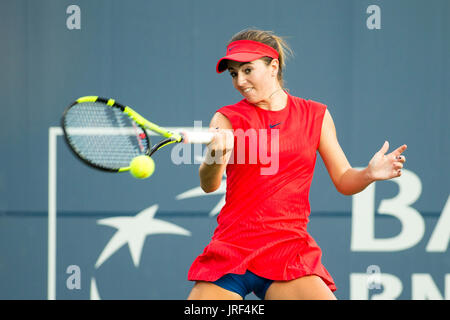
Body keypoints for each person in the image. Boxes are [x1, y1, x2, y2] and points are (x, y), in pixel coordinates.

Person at [187, 29, 407, 300]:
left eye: (247, 70)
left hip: (287, 252)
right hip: (232, 250)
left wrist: (369, 174)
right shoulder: (226, 118)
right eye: (234, 74)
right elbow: (208, 184)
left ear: (273, 66)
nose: (240, 81)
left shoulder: (316, 115)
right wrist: (215, 155)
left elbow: (344, 180)